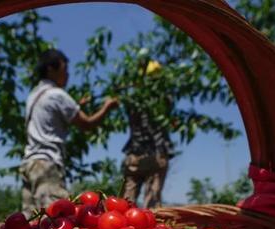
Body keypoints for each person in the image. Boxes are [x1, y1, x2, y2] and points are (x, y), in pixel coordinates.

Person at [21, 49, 118, 218]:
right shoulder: (57, 95)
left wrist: (77, 105)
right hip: (47, 164)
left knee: (31, 221)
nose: (67, 75)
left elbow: (51, 118)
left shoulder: (34, 95)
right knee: (57, 219)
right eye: (65, 70)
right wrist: (107, 107)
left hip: (30, 163)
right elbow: (87, 124)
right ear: (51, 69)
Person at [120, 60, 175, 208]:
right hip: (156, 153)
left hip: (135, 155)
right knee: (152, 205)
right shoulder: (163, 99)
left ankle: (122, 228)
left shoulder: (133, 100)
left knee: (126, 202)